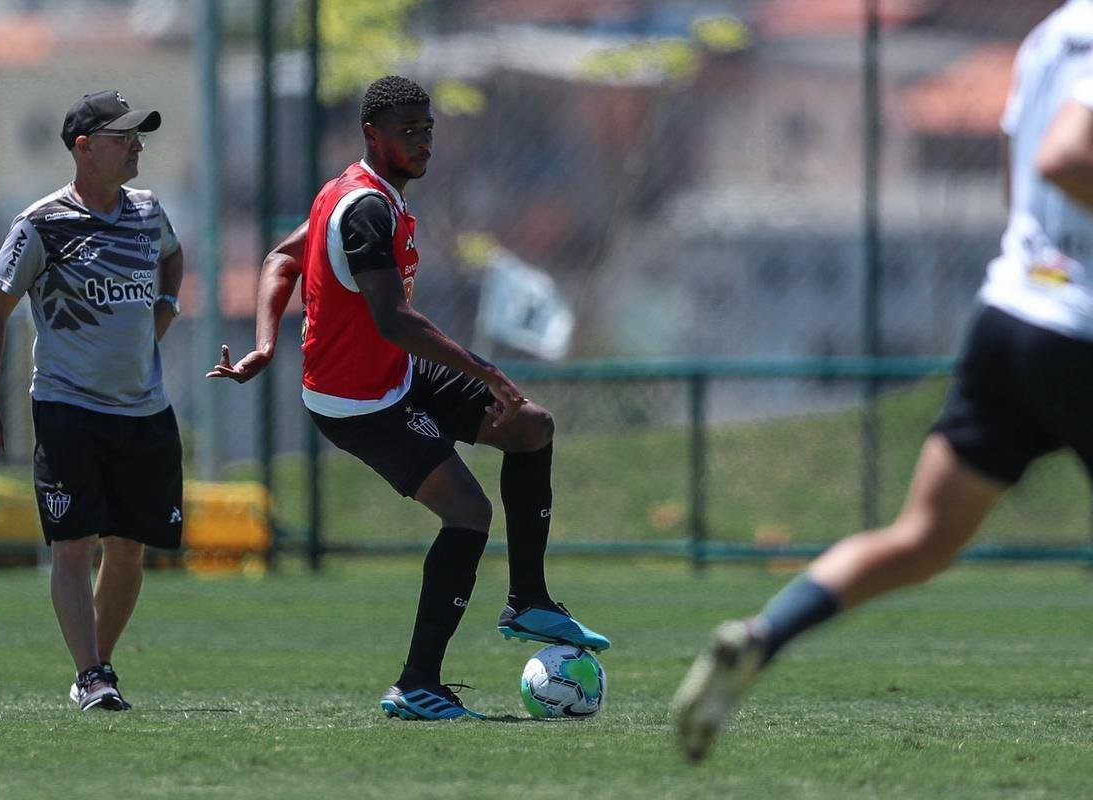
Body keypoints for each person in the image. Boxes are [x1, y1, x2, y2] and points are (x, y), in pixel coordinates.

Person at [672, 0, 1093, 760]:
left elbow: (1017, 178)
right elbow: (1063, 156)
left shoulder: (1050, 34)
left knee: (920, 538)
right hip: (1080, 325)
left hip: (1009, 312)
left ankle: (763, 635)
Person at [207, 75, 610, 720]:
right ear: (373, 133)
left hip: (393, 374)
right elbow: (392, 318)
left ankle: (528, 600)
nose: (423, 143)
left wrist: (265, 345)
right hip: (357, 400)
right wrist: (485, 370)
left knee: (531, 427)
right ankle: (417, 683)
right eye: (408, 133)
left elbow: (281, 261)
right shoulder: (363, 207)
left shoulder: (368, 195)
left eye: (428, 130)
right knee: (468, 513)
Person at [0, 90, 184, 712]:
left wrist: (165, 307)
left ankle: (100, 664)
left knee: (129, 544)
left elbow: (172, 257)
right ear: (84, 148)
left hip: (144, 408)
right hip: (68, 408)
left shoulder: (148, 211)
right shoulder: (40, 223)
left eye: (138, 136)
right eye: (123, 137)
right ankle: (91, 673)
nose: (137, 146)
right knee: (71, 543)